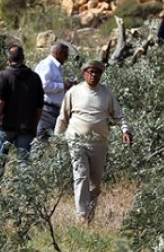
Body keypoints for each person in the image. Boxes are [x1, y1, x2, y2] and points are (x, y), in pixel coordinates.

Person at [55, 60, 133, 223]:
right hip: (77, 141)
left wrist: (125, 130)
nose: (93, 75)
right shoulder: (74, 92)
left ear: (101, 75)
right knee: (81, 176)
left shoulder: (106, 93)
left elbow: (119, 115)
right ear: (84, 74)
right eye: (90, 72)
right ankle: (81, 216)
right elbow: (63, 117)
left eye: (97, 72)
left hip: (99, 144)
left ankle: (90, 215)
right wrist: (57, 139)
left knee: (95, 183)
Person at [0, 44, 43, 184]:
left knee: (0, 159)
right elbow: (39, 106)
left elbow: (0, 102)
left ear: (8, 59)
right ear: (23, 58)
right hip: (26, 127)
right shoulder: (35, 78)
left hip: (6, 126)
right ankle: (25, 194)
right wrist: (35, 126)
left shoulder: (3, 76)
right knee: (24, 162)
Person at [33, 41, 73, 142]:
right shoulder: (48, 64)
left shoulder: (54, 66)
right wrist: (63, 85)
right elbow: (44, 85)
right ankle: (35, 158)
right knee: (42, 140)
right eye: (65, 55)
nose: (66, 58)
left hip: (53, 109)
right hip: (47, 109)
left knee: (54, 140)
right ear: (58, 53)